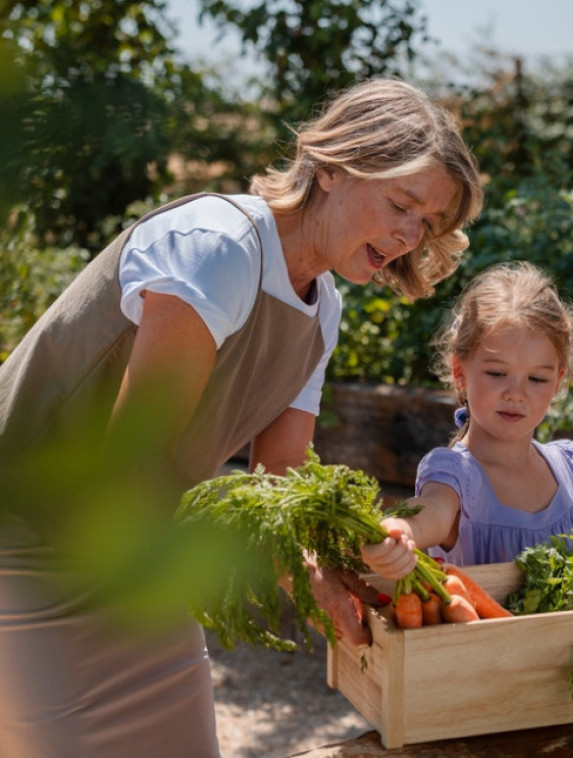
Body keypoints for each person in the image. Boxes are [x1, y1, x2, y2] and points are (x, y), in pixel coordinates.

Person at [0, 77, 483, 758]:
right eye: (401, 203)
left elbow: (277, 483)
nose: (408, 236)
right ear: (334, 168)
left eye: (427, 224)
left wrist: (331, 580)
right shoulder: (219, 247)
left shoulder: (323, 311)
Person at [360, 261, 573, 580]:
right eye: (497, 374)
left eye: (537, 379)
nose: (516, 393)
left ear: (557, 383)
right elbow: (431, 514)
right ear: (460, 371)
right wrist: (401, 529)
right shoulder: (456, 476)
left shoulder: (571, 472)